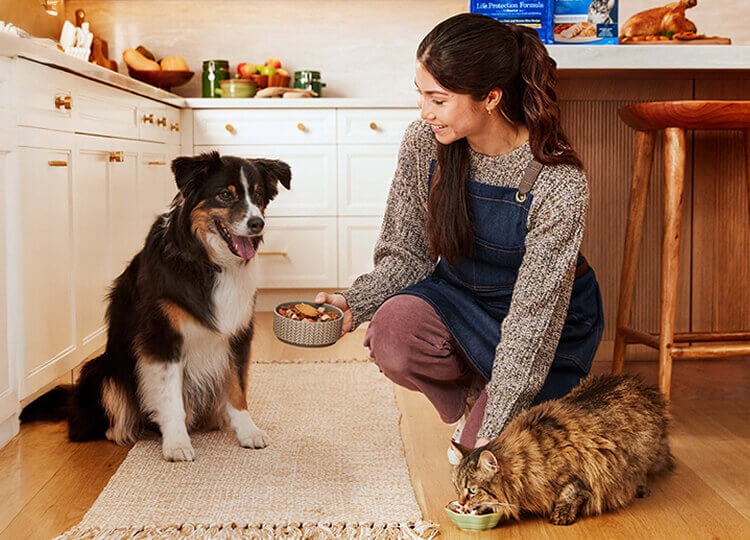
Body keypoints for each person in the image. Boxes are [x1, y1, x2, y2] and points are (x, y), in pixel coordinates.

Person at [316, 13, 604, 460]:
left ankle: (494, 400)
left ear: (490, 97)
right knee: (392, 333)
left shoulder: (557, 181)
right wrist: (351, 303)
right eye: (421, 95)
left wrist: (491, 428)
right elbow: (407, 256)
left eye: (438, 99)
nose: (424, 111)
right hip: (461, 299)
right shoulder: (424, 142)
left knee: (478, 457)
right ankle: (474, 388)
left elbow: (533, 321)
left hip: (545, 327)